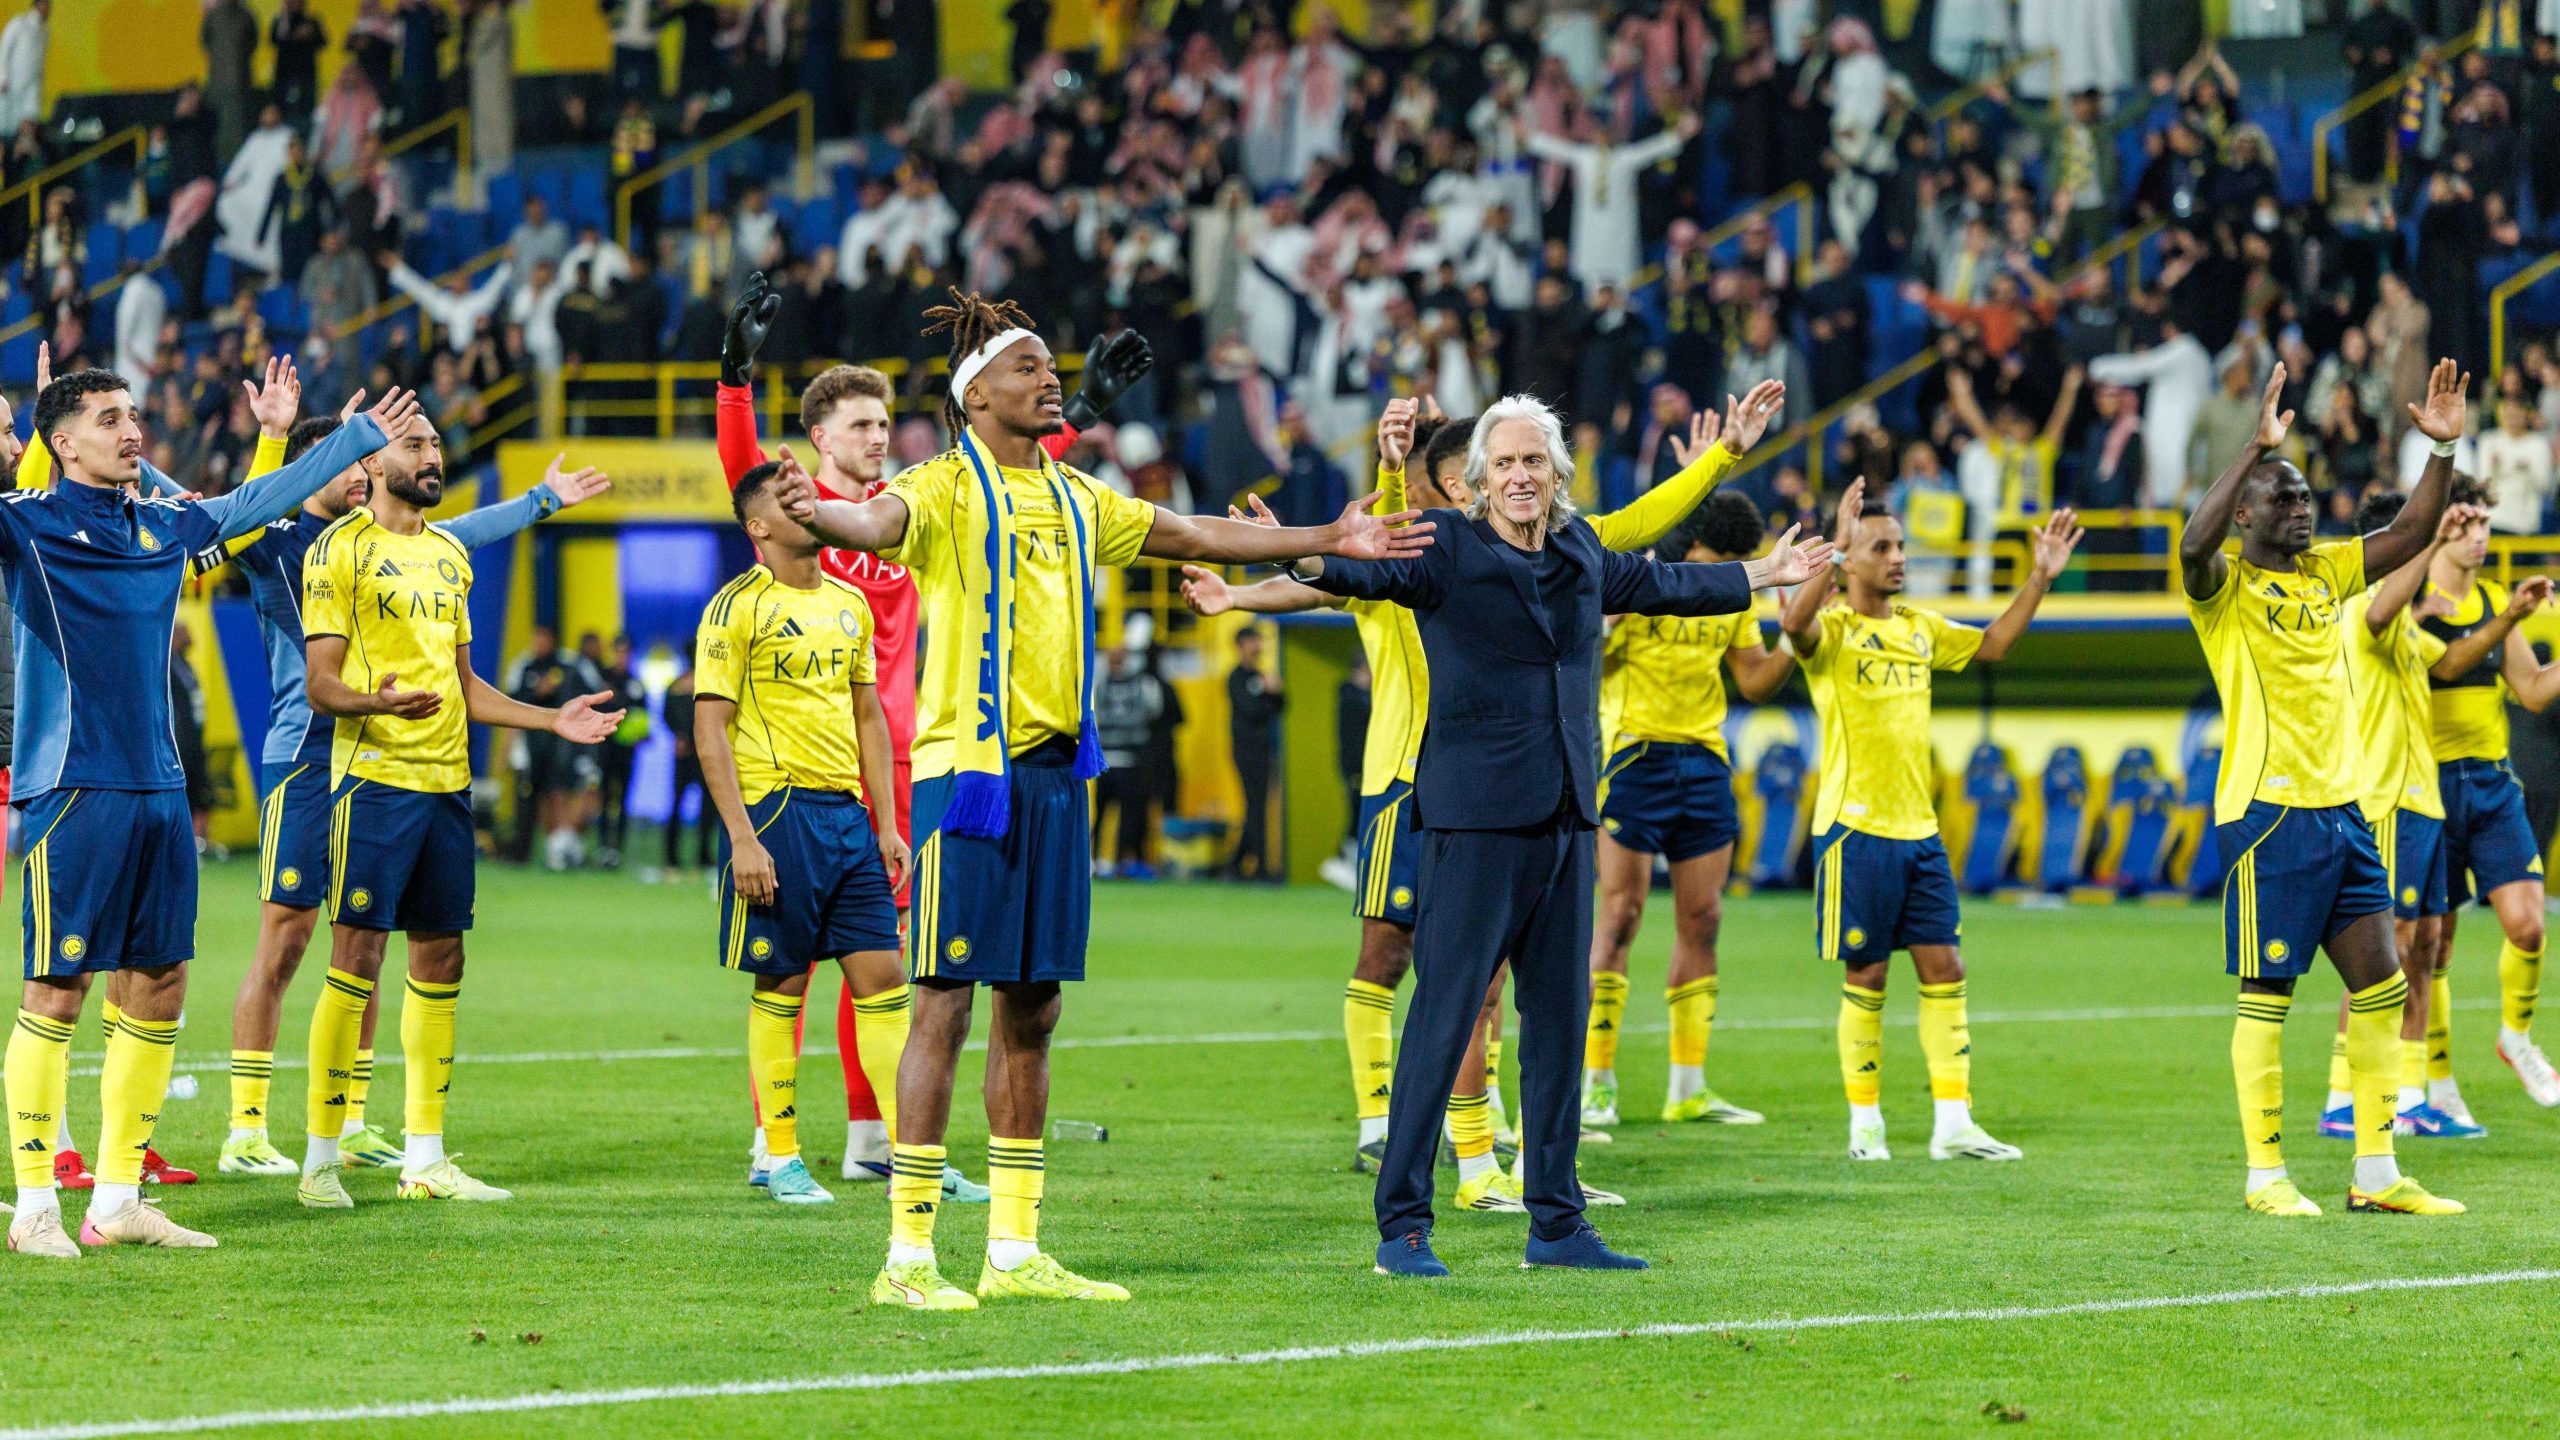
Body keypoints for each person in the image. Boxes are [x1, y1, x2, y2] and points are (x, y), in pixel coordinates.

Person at [775, 288, 1430, 1310]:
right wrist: (818, 513)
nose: (1050, 379)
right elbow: (871, 519)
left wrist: (1332, 533)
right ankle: (908, 1256)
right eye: (1028, 367)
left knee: (1033, 1009)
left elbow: (1198, 534)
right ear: (975, 394)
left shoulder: (1080, 496)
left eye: (1050, 367)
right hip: (969, 782)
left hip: (1054, 781)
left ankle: (1013, 1250)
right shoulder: (941, 487)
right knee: (943, 1004)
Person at [1181, 382, 1785, 1191]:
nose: (1511, 477)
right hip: (1421, 782)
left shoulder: (1565, 550)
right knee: (1420, 972)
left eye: (1530, 461)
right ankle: (1404, 1144)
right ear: (1464, 481)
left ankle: (1522, 1168)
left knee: (1526, 994)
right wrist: (1264, 568)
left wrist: (1735, 493)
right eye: (1496, 464)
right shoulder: (1426, 548)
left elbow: (1648, 546)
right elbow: (1341, 571)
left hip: (1546, 793)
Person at [717, 270, 1163, 1196]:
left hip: (909, 760)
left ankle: (875, 1142)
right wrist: (735, 376)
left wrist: (1078, 410)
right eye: (860, 426)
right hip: (806, 768)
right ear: (818, 439)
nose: (879, 437)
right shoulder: (815, 525)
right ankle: (775, 1146)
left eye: (885, 422)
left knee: (888, 968)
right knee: (798, 970)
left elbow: (1025, 487)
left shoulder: (928, 506)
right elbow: (751, 481)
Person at [2, 370, 409, 1259]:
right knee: (57, 991)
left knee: (160, 984)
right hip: (73, 787)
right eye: (108, 420)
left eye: (134, 415)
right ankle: (35, 1208)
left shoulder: (161, 524)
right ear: (63, 443)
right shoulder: (26, 524)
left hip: (160, 790)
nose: (131, 431)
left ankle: (117, 1200)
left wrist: (351, 441)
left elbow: (257, 503)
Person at [206, 363, 603, 1181]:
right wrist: (272, 436)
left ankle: (352, 1120)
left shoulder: (395, 543)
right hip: (305, 755)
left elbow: (461, 532)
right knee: (288, 937)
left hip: (391, 757)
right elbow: (236, 517)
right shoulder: (278, 544)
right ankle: (247, 1127)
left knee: (368, 941)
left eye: (367, 458)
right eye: (347, 460)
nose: (361, 471)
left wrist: (540, 501)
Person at [293, 407, 624, 1210]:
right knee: (356, 961)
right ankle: (320, 1161)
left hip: (447, 787)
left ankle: (426, 1159)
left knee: (442, 960)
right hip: (373, 781)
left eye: (436, 444)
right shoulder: (338, 550)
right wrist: (376, 701)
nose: (432, 456)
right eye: (415, 444)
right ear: (372, 463)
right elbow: (321, 684)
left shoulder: (449, 556)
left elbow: (466, 686)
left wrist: (551, 719)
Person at [2183, 359, 2466, 1220]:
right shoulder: (2225, 589)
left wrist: (2442, 451)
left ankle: (2376, 1173)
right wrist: (2252, 448)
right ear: (2245, 514)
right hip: (2269, 814)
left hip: (2345, 810)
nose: (2302, 510)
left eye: (2307, 497)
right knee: (2268, 994)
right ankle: (2264, 1174)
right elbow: (2191, 547)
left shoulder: (2326, 572)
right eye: (2284, 499)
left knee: (2383, 985)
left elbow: (2410, 533)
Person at [1783, 478, 2079, 1166]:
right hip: (1855, 831)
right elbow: (1792, 627)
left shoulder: (1920, 628)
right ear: (1849, 562)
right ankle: (1866, 1126)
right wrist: (1833, 548)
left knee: (1945, 967)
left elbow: (1994, 644)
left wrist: (2039, 578)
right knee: (1867, 975)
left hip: (1920, 833)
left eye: (1899, 546)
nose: (1897, 557)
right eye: (1880, 547)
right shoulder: (1833, 631)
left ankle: (1954, 1123)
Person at [695, 457, 912, 1207]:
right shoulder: (736, 607)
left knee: (884, 982)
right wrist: (741, 837)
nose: (808, 506)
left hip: (848, 817)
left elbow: (868, 717)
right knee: (781, 984)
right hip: (777, 813)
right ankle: (779, 1157)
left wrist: (886, 824)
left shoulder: (851, 603)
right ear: (757, 526)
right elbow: (710, 729)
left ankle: (910, 1152)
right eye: (789, 502)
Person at [1582, 489, 1796, 1132]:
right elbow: (1583, 659)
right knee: (1619, 916)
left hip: (1703, 760)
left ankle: (1688, 1088)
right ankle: (1596, 1082)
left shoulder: (1734, 594)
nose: (1731, 571)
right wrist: (1606, 623)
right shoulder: (1637, 580)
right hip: (1633, 757)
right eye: (1724, 559)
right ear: (1694, 543)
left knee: (1702, 920)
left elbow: (1752, 678)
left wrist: (1795, 642)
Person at [2314, 489, 2478, 1149]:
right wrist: (2432, 538)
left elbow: (2454, 662)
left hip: (2423, 801)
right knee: (2386, 951)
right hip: (2383, 801)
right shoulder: (2362, 607)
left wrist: (2505, 619)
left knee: (2428, 947)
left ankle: (2407, 1094)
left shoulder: (2408, 621)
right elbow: (2382, 612)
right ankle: (2341, 1098)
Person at [2401, 481, 2560, 1113]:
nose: (2479, 536)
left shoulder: (2494, 599)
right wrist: (2511, 618)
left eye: (2485, 524)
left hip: (2491, 784)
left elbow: (2533, 691)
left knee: (2528, 924)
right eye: (2466, 524)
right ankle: (2440, 1086)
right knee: (2431, 945)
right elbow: (2446, 664)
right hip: (2427, 787)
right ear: (2439, 529)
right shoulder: (2412, 601)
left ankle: (2516, 1037)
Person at [1224, 628, 1283, 881]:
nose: (1258, 646)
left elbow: (1280, 707)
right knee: (1256, 807)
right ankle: (1260, 868)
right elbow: (1250, 710)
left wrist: (1275, 692)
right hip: (1245, 750)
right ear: (1240, 645)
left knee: (1256, 807)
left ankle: (1236, 864)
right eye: (1253, 641)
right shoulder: (1236, 677)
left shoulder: (1261, 675)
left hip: (1263, 749)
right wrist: (1268, 693)